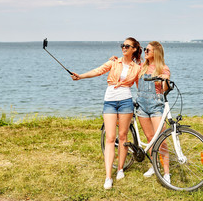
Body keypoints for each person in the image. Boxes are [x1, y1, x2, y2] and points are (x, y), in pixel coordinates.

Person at [71, 37, 142, 190]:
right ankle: (108, 176)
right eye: (122, 45)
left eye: (127, 46)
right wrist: (80, 76)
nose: (123, 47)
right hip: (109, 101)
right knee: (110, 138)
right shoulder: (113, 62)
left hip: (126, 102)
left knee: (123, 137)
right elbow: (98, 71)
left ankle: (120, 169)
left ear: (134, 49)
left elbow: (141, 85)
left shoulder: (137, 68)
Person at [136, 41, 171, 183]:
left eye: (147, 50)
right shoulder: (142, 67)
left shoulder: (163, 68)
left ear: (156, 52)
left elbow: (165, 89)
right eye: (144, 49)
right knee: (150, 138)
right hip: (142, 106)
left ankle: (167, 172)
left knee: (161, 140)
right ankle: (153, 165)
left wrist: (165, 80)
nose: (145, 51)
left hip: (156, 106)